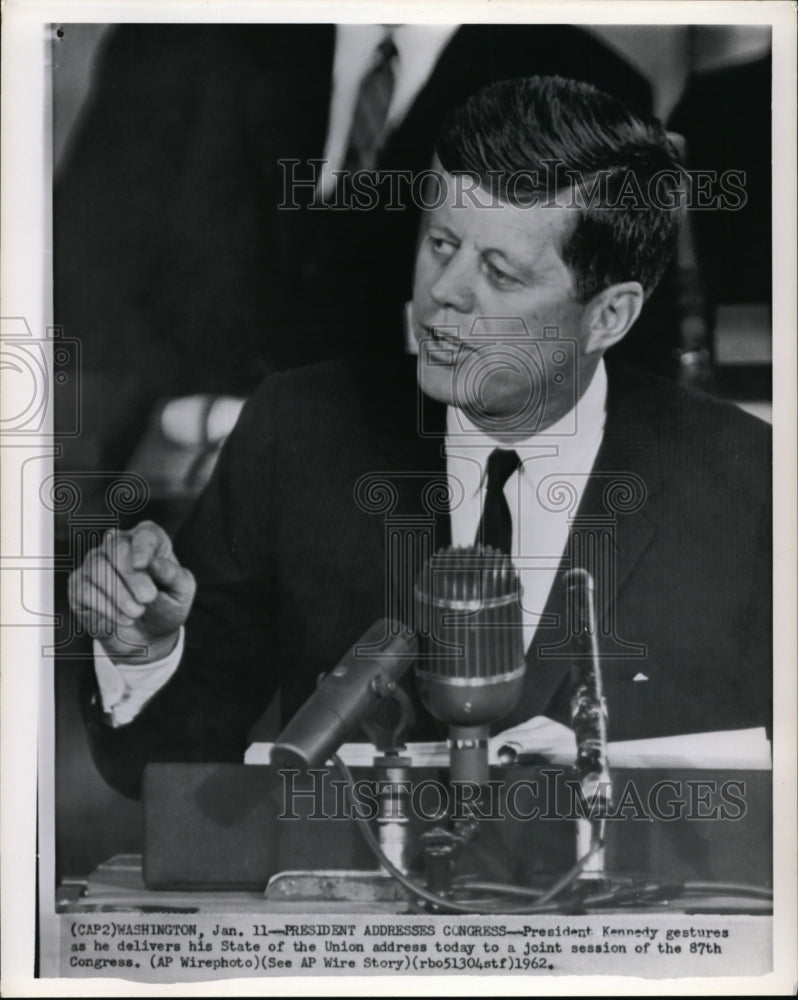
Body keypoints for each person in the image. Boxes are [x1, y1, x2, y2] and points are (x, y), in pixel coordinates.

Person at [68, 76, 771, 799]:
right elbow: (167, 774)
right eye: (441, 242)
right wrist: (143, 649)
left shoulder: (749, 481)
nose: (444, 292)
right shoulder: (299, 432)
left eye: (498, 272)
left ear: (608, 316)